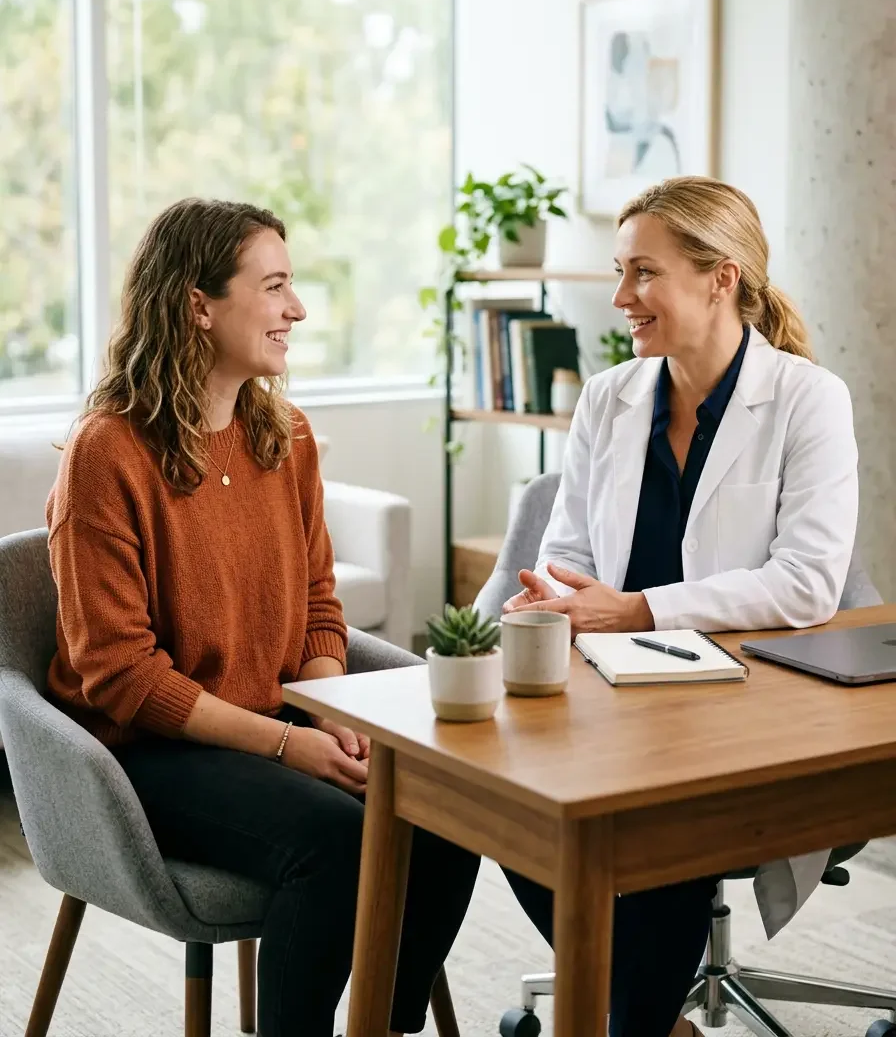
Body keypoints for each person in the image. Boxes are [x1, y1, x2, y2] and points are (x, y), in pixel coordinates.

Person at [46, 198, 480, 1037]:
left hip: (276, 721)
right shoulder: (110, 451)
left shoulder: (286, 434)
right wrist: (291, 745)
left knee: (448, 810)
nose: (298, 309)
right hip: (144, 752)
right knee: (339, 840)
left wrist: (331, 716)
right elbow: (121, 675)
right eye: (274, 286)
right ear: (197, 305)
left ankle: (382, 1028)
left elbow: (320, 608)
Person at [501, 175, 859, 1037]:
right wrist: (558, 592)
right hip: (608, 690)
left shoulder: (808, 399)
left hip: (741, 708)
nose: (622, 297)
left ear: (720, 278)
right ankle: (653, 1024)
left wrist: (639, 610)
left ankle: (634, 1023)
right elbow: (569, 552)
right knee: (504, 805)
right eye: (621, 272)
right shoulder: (609, 395)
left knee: (649, 837)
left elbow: (807, 580)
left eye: (643, 273)